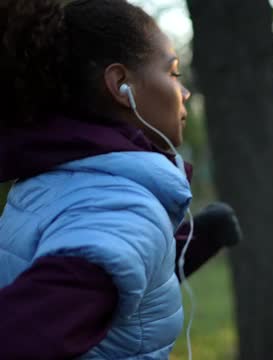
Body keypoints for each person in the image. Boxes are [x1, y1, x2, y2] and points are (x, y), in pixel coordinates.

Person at [0, 0, 239, 358]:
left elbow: (112, 282)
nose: (184, 92)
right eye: (173, 73)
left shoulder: (52, 182)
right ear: (120, 84)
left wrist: (194, 239)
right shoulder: (124, 210)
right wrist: (143, 223)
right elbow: (26, 332)